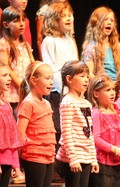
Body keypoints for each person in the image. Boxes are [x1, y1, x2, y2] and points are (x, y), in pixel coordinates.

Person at [55, 60, 99, 187]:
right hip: (73, 156)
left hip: (86, 154)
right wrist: (73, 158)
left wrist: (93, 158)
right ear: (69, 79)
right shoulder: (68, 102)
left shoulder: (86, 103)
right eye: (82, 76)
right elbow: (66, 132)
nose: (87, 79)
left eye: (87, 76)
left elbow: (90, 133)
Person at [17, 60, 56, 187]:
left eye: (52, 78)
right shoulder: (28, 103)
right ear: (33, 80)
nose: (51, 81)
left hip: (48, 155)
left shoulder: (46, 103)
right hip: (33, 155)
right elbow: (20, 133)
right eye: (47, 78)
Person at [87, 74, 120, 187]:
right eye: (107, 90)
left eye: (113, 89)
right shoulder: (96, 113)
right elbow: (96, 138)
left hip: (116, 164)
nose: (112, 93)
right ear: (96, 93)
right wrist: (114, 149)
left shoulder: (114, 111)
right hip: (103, 164)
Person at [41, 1, 78, 143]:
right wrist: (65, 89)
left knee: (74, 128)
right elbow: (52, 68)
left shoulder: (70, 40)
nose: (69, 18)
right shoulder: (49, 41)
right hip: (58, 92)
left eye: (70, 15)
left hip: (73, 89)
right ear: (54, 20)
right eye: (64, 16)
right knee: (60, 128)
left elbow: (75, 64)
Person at [0, 5, 34, 117]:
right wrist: (20, 85)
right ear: (6, 24)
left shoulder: (25, 45)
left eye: (23, 20)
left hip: (26, 91)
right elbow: (5, 67)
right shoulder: (3, 44)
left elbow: (32, 64)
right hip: (12, 93)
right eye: (16, 21)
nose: (22, 24)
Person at [81, 6, 120, 81]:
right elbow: (88, 73)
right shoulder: (91, 48)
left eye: (112, 20)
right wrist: (103, 84)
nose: (109, 22)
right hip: (102, 88)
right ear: (96, 23)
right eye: (105, 19)